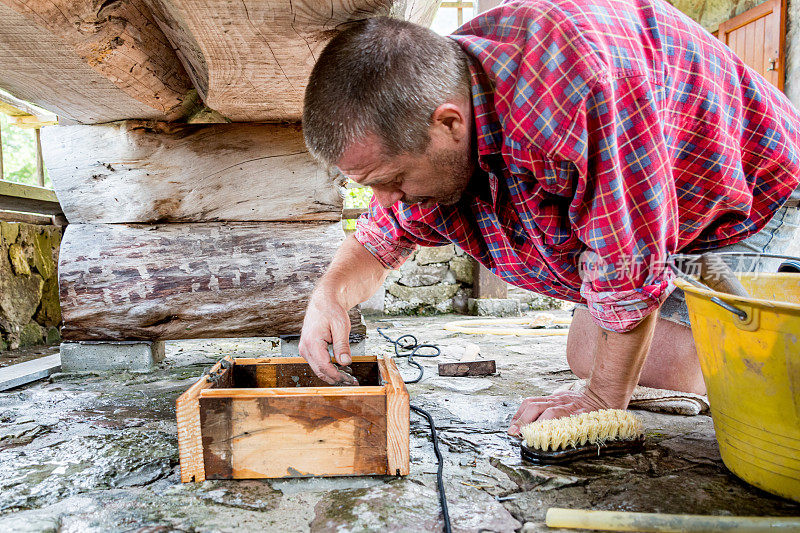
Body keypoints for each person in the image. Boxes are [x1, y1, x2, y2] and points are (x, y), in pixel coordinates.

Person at [298, 0, 800, 435]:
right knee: (589, 351)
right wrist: (329, 296)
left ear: (449, 123)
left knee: (731, 367)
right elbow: (382, 238)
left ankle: (778, 308)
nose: (386, 200)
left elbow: (627, 268)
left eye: (392, 179)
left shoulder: (579, 95)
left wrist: (600, 402)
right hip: (651, 214)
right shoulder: (428, 109)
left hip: (740, 199)